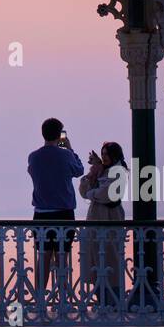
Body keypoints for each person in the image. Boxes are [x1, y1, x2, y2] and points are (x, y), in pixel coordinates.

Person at [26, 118, 86, 293]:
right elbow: (79, 170)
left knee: (43, 256)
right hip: (64, 213)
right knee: (62, 256)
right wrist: (69, 148)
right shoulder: (66, 155)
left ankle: (39, 296)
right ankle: (63, 296)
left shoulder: (33, 156)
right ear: (60, 135)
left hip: (41, 213)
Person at [80, 141, 128, 302]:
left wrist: (91, 193)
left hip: (110, 219)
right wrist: (93, 173)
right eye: (103, 154)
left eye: (107, 154)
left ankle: (113, 299)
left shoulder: (119, 171)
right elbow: (83, 191)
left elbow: (107, 194)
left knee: (111, 259)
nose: (104, 157)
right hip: (96, 219)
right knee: (96, 259)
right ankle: (101, 298)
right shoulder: (103, 171)